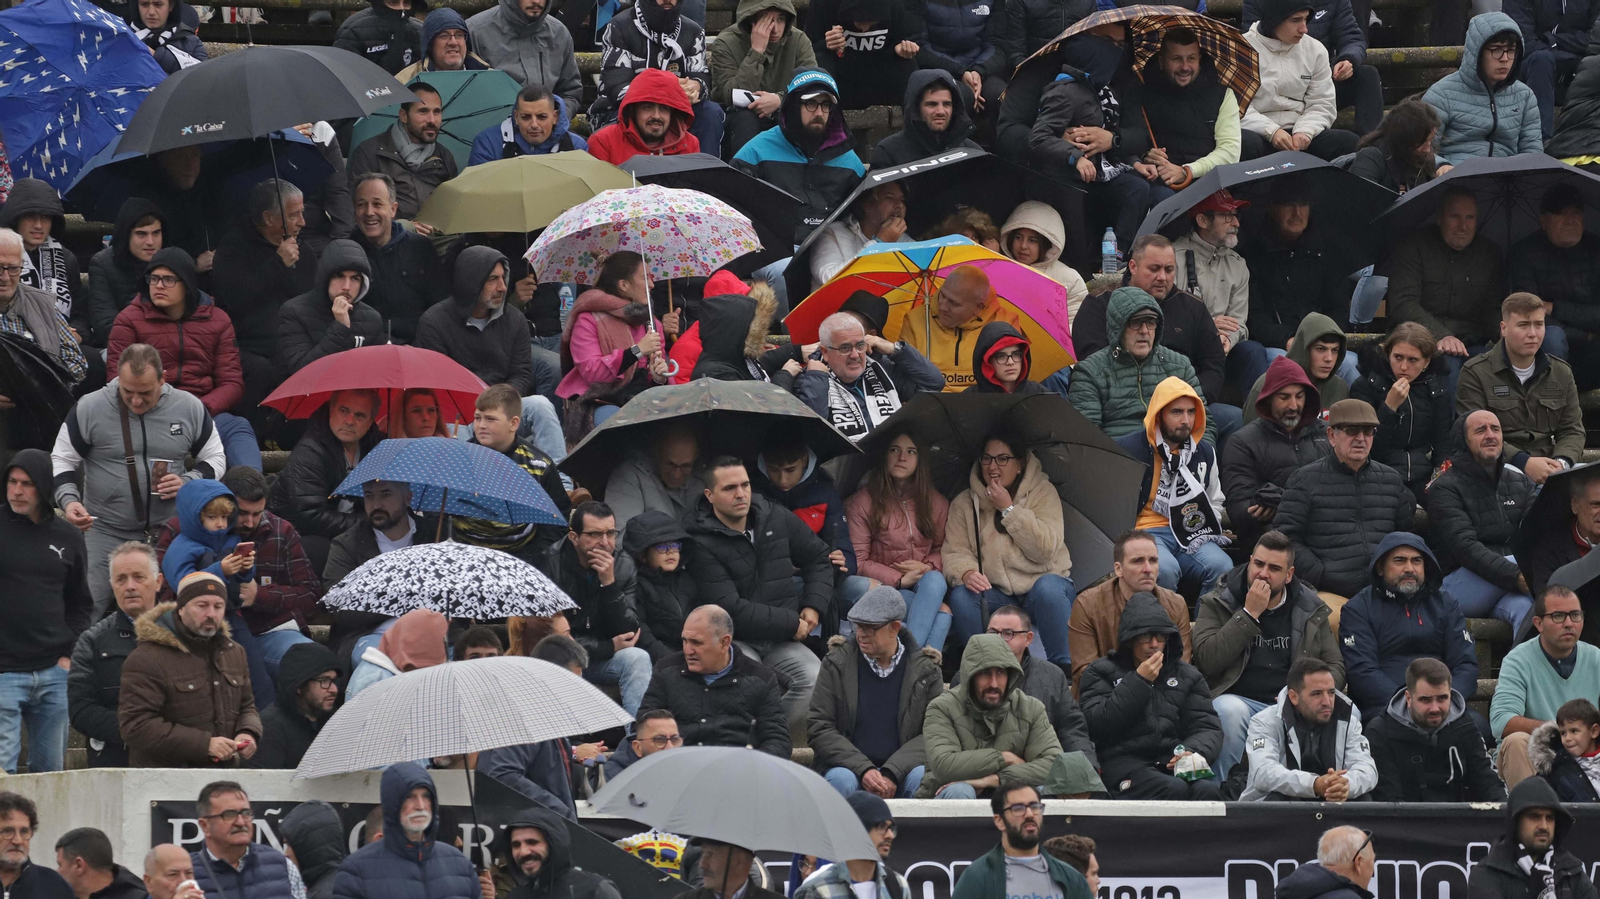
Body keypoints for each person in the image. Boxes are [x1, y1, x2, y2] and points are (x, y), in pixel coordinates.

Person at [53, 345, 226, 615]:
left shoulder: (189, 407)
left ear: (162, 379)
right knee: (84, 609)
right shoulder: (90, 407)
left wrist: (189, 480)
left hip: (169, 531)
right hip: (104, 529)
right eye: (127, 391)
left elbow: (215, 456)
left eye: (145, 393)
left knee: (181, 612)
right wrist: (68, 500)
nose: (135, 401)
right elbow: (62, 458)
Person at [685, 458, 831, 724]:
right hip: (735, 638)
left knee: (815, 680)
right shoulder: (699, 541)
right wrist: (791, 623)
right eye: (729, 488)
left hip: (782, 640)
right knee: (747, 687)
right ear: (709, 495)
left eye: (745, 485)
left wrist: (814, 605)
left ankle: (764, 741)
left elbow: (819, 557)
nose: (741, 494)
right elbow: (729, 609)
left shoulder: (774, 515)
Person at [1194, 531, 1343, 779]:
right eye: (1259, 564)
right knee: (1228, 710)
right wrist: (1249, 614)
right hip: (1240, 700)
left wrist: (1307, 696)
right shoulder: (1219, 600)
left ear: (1289, 575)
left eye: (1274, 568)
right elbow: (1207, 661)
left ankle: (1327, 791)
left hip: (1292, 703)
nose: (1263, 574)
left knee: (1348, 712)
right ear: (1250, 561)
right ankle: (1218, 789)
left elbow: (1334, 665)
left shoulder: (1309, 607)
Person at [106, 248, 257, 471]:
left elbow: (232, 382)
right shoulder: (128, 320)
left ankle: (252, 489)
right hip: (150, 412)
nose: (158, 285)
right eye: (154, 278)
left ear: (187, 284)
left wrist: (199, 409)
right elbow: (117, 380)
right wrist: (158, 407)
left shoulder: (218, 319)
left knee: (237, 427)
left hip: (203, 410)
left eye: (168, 280)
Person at [943, 434, 1076, 666]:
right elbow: (955, 551)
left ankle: (1063, 669)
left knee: (1049, 588)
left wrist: (1009, 509)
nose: (993, 466)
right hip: (997, 594)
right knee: (963, 597)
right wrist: (966, 572)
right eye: (987, 458)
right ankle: (988, 667)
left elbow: (1045, 550)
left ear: (1020, 464)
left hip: (1043, 589)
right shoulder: (965, 503)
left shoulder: (1043, 492)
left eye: (1003, 458)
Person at [1079, 594, 1224, 799]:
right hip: (1122, 762)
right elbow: (1095, 725)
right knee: (1173, 789)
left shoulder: (1187, 675)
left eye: (1161, 636)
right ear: (1130, 639)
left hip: (1172, 759)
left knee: (1208, 791)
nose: (1154, 644)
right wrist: (1139, 681)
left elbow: (1206, 726)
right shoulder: (1100, 671)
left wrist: (1192, 750)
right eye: (1145, 636)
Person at [1072, 236, 1228, 423]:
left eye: (1169, 269)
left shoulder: (1192, 307)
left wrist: (1186, 399)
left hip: (1185, 403)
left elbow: (1213, 365)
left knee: (1232, 418)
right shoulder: (1099, 303)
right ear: (1133, 267)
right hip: (1120, 407)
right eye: (1154, 269)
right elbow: (1093, 364)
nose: (1162, 277)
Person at [0, 449, 89, 774]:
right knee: (2, 776)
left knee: (51, 776)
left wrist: (68, 656)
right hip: (4, 673)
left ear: (44, 487)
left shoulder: (69, 536)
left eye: (27, 484)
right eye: (12, 482)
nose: (17, 491)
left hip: (54, 672)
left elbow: (80, 603)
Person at [1275, 399, 1415, 606]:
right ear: (1331, 436)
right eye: (1352, 431)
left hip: (1385, 592)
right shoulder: (1304, 480)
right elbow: (1286, 538)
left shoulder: (1391, 480)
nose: (1361, 439)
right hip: (1328, 593)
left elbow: (1405, 537)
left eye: (1368, 431)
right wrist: (1321, 574)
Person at [808, 586, 944, 798]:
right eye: (858, 626)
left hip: (903, 771)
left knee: (921, 777)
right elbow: (820, 727)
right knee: (841, 779)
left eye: (869, 628)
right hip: (849, 768)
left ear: (894, 628)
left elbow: (935, 734)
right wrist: (864, 769)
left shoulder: (927, 672)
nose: (861, 634)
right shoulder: (836, 663)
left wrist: (892, 772)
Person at [118, 573, 260, 767]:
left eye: (218, 606)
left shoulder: (235, 652)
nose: (211, 614)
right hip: (164, 779)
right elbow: (136, 726)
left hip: (224, 776)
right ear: (181, 608)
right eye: (202, 605)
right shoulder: (147, 658)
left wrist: (248, 731)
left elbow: (247, 705)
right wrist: (204, 745)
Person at [1114, 377, 1232, 596]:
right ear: (1159, 414)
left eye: (1191, 412)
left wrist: (1203, 524)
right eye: (1177, 412)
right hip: (1145, 532)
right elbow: (1114, 503)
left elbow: (1214, 499)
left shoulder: (1205, 452)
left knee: (1222, 567)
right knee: (1165, 570)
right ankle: (1161, 620)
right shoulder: (1129, 449)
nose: (1186, 420)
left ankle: (1205, 620)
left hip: (1192, 532)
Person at [209, 180, 317, 414]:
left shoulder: (304, 252)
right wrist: (278, 263)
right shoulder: (233, 249)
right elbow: (237, 299)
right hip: (248, 348)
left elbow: (311, 302)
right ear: (269, 218)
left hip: (292, 347)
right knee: (260, 370)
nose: (302, 222)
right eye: (294, 215)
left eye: (302, 213)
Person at [1383, 189, 1506, 392]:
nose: (1463, 226)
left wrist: (1504, 333)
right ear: (1440, 218)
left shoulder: (1490, 253)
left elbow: (1491, 308)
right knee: (1447, 366)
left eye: (1470, 217)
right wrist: (1441, 335)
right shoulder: (1413, 246)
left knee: (1499, 366)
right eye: (1455, 216)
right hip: (1420, 342)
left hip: (1472, 343)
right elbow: (1403, 303)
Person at [1456, 293, 1585, 484]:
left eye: (1539, 324)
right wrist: (1524, 462)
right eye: (1523, 325)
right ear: (1504, 328)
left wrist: (1561, 463)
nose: (1532, 333)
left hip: (1550, 465)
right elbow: (1475, 433)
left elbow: (1572, 430)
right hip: (1499, 464)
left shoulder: (1561, 372)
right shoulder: (1475, 372)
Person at [1426, 410, 1537, 631]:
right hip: (1459, 584)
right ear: (1464, 441)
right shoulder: (1445, 488)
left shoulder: (1520, 481)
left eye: (1495, 429)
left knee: (1527, 611)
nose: (1490, 435)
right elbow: (1464, 548)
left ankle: (1526, 659)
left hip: (1510, 583)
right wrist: (1516, 574)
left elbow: (1537, 533)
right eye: (1480, 430)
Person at [917, 633, 1063, 799]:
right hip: (949, 795)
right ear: (970, 676)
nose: (993, 683)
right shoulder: (942, 708)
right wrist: (1004, 758)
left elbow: (1055, 767)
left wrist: (995, 780)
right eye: (985, 673)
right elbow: (944, 766)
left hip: (1009, 795)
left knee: (1042, 790)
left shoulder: (1030, 708)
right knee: (960, 791)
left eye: (1000, 672)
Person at [732, 69, 865, 246]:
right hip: (772, 247)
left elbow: (864, 218)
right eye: (811, 103)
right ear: (794, 105)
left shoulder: (850, 161)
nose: (819, 113)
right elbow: (732, 210)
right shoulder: (756, 152)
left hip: (831, 247)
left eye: (826, 105)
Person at [541, 501, 651, 715]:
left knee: (638, 658)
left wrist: (609, 584)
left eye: (610, 533)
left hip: (600, 660)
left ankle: (638, 733)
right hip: (560, 660)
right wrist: (607, 647)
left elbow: (628, 631)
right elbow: (551, 639)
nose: (605, 543)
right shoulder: (550, 564)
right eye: (594, 534)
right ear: (574, 537)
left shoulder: (623, 564)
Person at [1239, 183, 1359, 379]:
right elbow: (1253, 315)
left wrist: (1322, 340)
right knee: (1282, 365)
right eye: (1288, 205)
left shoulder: (1328, 253)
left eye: (1303, 204)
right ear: (1272, 208)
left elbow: (1338, 308)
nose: (1297, 212)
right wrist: (1287, 339)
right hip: (1277, 345)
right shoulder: (1254, 255)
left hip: (1322, 342)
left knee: (1350, 364)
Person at [845, 430, 951, 650]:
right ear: (884, 454)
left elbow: (944, 547)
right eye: (895, 450)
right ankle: (917, 662)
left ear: (920, 459)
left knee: (935, 580)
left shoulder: (936, 502)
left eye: (911, 452)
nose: (902, 458)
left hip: (923, 584)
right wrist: (900, 580)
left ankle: (909, 656)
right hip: (884, 586)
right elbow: (858, 561)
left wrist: (926, 566)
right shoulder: (863, 502)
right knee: (942, 612)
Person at [639, 605, 792, 757]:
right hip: (679, 765)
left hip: (736, 767)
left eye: (696, 643)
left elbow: (778, 740)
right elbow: (644, 727)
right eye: (685, 641)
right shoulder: (666, 670)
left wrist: (750, 766)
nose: (687, 650)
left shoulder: (761, 679)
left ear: (724, 642)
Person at [962, 605, 1100, 768]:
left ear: (1028, 639)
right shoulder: (967, 676)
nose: (998, 640)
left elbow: (1071, 730)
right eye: (992, 633)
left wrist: (1086, 768)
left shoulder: (1052, 675)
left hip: (1040, 769)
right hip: (984, 769)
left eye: (1008, 634)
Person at [1068, 286, 1213, 441]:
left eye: (1150, 322)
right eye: (1135, 322)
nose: (1144, 331)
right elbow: (1086, 438)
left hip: (1174, 452)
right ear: (1118, 328)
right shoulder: (1090, 372)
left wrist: (1199, 454)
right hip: (1118, 452)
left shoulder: (1180, 366)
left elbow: (1205, 425)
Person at [1493, 586, 1600, 788]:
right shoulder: (1518, 660)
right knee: (1515, 741)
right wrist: (1561, 732)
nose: (1569, 623)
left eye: (1575, 615)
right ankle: (1531, 807)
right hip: (1538, 755)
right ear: (1538, 623)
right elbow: (1502, 722)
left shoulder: (1596, 658)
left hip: (1587, 756)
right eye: (1558, 616)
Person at [453, 385, 569, 563]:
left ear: (514, 423)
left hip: (520, 559)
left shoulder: (538, 464)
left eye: (490, 419)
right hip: (464, 556)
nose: (481, 425)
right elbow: (437, 512)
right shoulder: (459, 459)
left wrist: (534, 555)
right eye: (477, 418)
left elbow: (558, 518)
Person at [591, 0, 721, 155]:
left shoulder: (694, 30)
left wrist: (696, 86)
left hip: (676, 109)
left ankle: (706, 168)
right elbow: (615, 86)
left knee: (710, 111)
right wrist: (669, 91)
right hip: (624, 109)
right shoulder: (618, 26)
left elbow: (702, 76)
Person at [1221, 357, 1327, 549]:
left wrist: (1285, 501)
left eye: (1299, 396)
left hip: (1326, 535)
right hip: (1273, 543)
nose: (1294, 405)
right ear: (1268, 399)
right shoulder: (1242, 442)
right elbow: (1238, 510)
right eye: (1284, 397)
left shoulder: (1328, 434)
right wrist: (1262, 503)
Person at [333, 763, 481, 899]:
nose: (420, 806)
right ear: (392, 803)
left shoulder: (460, 864)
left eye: (426, 796)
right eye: (409, 797)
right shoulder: (356, 870)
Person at [69, 541, 158, 768]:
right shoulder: (92, 641)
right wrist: (141, 732)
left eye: (138, 577)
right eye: (121, 579)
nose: (130, 586)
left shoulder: (185, 635)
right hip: (114, 762)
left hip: (179, 762)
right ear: (111, 585)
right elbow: (81, 710)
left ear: (158, 582)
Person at [1366, 657, 1505, 801]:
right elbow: (1388, 800)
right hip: (1402, 813)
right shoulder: (1380, 732)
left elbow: (1488, 781)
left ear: (1450, 694)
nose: (1435, 708)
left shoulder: (1464, 725)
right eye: (1425, 700)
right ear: (1408, 698)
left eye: (1442, 698)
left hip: (1457, 813)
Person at [1068, 530, 1192, 691]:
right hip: (1105, 698)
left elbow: (1182, 671)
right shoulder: (1088, 604)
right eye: (1138, 561)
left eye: (1153, 560)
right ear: (1118, 569)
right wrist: (1136, 683)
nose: (1148, 569)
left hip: (1163, 697)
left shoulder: (1176, 604)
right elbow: (1084, 675)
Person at [1239, 657, 1377, 802]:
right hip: (1280, 805)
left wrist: (1344, 785)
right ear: (1294, 697)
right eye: (1317, 694)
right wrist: (1314, 784)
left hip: (1330, 801)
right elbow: (1263, 773)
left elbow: (1367, 769)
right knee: (1279, 797)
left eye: (1331, 692)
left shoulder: (1348, 722)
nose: (1327, 702)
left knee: (1363, 799)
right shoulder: (1264, 722)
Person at [792, 312, 942, 442]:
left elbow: (933, 384)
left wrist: (894, 349)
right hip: (843, 465)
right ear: (825, 352)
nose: (855, 355)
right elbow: (813, 433)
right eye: (845, 348)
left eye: (860, 345)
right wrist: (817, 378)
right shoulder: (810, 380)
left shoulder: (880, 367)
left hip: (888, 461)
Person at [1124, 27, 1242, 190]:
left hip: (1209, 182)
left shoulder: (1223, 95)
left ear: (1199, 59)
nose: (1185, 67)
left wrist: (1187, 171)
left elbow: (1230, 153)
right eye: (1177, 59)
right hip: (1158, 182)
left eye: (1191, 58)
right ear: (1161, 62)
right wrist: (1145, 155)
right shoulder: (1140, 95)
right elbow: (1132, 140)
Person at [1239, 0, 1359, 161]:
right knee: (1243, 142)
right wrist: (1272, 131)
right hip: (1257, 133)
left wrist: (1305, 132)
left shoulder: (1315, 50)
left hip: (1298, 133)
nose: (1304, 29)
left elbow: (1322, 102)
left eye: (1306, 19)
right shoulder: (1240, 49)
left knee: (1349, 142)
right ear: (1274, 20)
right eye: (1295, 20)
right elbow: (1237, 107)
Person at [1349, 323, 1451, 504]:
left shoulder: (1436, 389)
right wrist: (1389, 407)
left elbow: (1443, 444)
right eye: (1398, 357)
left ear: (1426, 362)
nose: (1403, 367)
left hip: (1423, 475)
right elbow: (1367, 448)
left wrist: (1438, 479)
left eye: (1413, 360)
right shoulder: (1366, 386)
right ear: (1388, 354)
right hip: (1378, 475)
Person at [416, 248, 536, 400]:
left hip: (505, 404)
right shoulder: (434, 323)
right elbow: (437, 380)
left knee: (540, 404)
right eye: (492, 279)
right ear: (471, 282)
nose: (502, 287)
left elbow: (521, 373)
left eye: (503, 277)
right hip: (458, 406)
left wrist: (500, 403)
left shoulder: (515, 319)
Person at [1424, 13, 1544, 164]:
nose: (1505, 58)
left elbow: (1533, 153)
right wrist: (1440, 165)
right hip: (1457, 173)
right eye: (1496, 50)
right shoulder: (1441, 94)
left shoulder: (1525, 96)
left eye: (1511, 50)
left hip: (1507, 174)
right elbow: (1421, 149)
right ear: (1477, 52)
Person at [267, 391, 382, 543]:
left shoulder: (376, 449)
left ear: (370, 421)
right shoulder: (309, 453)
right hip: (293, 539)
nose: (349, 421)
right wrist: (373, 522)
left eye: (360, 415)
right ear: (331, 410)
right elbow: (312, 517)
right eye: (343, 411)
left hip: (349, 534)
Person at [557, 251, 667, 407]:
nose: (652, 285)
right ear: (623, 285)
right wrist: (637, 350)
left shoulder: (652, 322)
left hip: (641, 402)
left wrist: (658, 378)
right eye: (645, 278)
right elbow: (593, 373)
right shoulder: (588, 320)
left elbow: (654, 384)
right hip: (599, 402)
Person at [1170, 191, 1255, 394]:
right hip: (1182, 346)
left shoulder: (1238, 264)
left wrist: (1228, 339)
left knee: (1253, 352)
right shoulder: (1172, 258)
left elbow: (1238, 322)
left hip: (1221, 348)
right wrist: (1208, 328)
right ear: (1202, 220)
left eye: (1236, 215)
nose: (1236, 223)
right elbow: (1168, 317)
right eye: (1227, 215)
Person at [1509, 189, 1600, 376]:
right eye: (1561, 213)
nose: (1570, 220)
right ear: (1543, 221)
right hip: (1552, 346)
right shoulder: (1524, 253)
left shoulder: (1596, 249)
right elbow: (1529, 314)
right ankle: (1552, 393)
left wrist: (1554, 307)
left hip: (1594, 346)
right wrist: (1583, 335)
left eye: (1576, 213)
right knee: (1551, 337)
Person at [348, 175, 445, 345]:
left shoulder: (421, 248)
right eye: (362, 205)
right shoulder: (347, 253)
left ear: (393, 209)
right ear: (354, 211)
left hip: (419, 346)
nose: (369, 212)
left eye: (377, 204)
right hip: (368, 347)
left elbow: (439, 305)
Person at [711, 0, 817, 154]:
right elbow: (730, 94)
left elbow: (812, 84)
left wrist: (780, 100)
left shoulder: (798, 40)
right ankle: (744, 168)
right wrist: (756, 52)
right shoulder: (726, 42)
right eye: (766, 19)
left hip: (785, 113)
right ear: (751, 18)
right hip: (739, 119)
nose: (775, 28)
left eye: (780, 19)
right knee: (746, 119)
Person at [951, 784, 1090, 899]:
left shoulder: (1071, 878)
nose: (1029, 814)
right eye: (1018, 808)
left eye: (1034, 807)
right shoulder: (977, 878)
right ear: (999, 821)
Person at [1466, 778, 1598, 899]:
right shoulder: (1487, 874)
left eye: (1549, 818)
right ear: (1516, 822)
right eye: (1535, 817)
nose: (1544, 826)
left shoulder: (1571, 872)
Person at [0, 226, 88, 402]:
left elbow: (76, 360)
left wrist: (41, 387)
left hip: (40, 407)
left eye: (13, 268)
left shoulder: (43, 303)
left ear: (22, 266)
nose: (5, 277)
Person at [347, 84, 459, 222]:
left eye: (436, 112)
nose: (431, 120)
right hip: (388, 232)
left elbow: (454, 208)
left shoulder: (444, 157)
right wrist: (403, 227)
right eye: (423, 111)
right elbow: (358, 208)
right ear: (404, 115)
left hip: (435, 231)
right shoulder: (370, 152)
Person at [277, 240, 386, 381]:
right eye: (339, 276)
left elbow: (376, 373)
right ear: (325, 277)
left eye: (355, 278)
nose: (346, 286)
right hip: (311, 391)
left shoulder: (372, 318)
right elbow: (302, 371)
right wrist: (340, 327)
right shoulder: (294, 312)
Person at [189, 782, 304, 899]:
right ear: (205, 826)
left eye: (246, 813)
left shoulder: (283, 866)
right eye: (229, 815)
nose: (241, 822)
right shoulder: (186, 875)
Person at [804, 0, 919, 109]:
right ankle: (825, 115)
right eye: (860, 22)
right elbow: (806, 50)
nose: (865, 29)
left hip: (878, 72)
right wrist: (825, 44)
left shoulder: (894, 5)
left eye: (872, 23)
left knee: (908, 64)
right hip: (841, 75)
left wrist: (899, 49)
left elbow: (900, 39)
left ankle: (910, 120)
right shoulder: (824, 3)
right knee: (820, 62)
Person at [791, 792, 909, 899]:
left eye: (891, 828)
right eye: (881, 826)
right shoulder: (816, 890)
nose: (890, 835)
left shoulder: (898, 885)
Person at [0, 180, 81, 332]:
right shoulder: (2, 253)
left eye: (45, 217)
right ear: (15, 218)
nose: (38, 225)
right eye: (30, 216)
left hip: (61, 337)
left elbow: (80, 315)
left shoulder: (66, 258)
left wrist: (76, 334)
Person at [467, 0, 582, 105]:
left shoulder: (559, 33)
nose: (536, 1)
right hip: (493, 119)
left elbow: (570, 91)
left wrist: (557, 115)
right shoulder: (475, 31)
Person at [1242, 313, 1351, 422]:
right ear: (1303, 349)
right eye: (1321, 349)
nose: (1329, 358)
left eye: (1335, 350)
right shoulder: (1267, 385)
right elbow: (1250, 432)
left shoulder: (1339, 388)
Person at [86, 200, 165, 350]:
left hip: (170, 345)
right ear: (126, 234)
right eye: (141, 234)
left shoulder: (171, 262)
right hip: (124, 349)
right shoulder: (103, 263)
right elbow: (104, 323)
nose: (150, 241)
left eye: (156, 233)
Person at [247, 643, 339, 769]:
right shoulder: (269, 727)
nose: (334, 689)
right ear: (299, 685)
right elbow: (262, 779)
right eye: (324, 681)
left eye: (334, 681)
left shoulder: (336, 721)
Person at [494, 808, 620, 899]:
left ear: (554, 844)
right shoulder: (516, 896)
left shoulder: (595, 890)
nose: (523, 852)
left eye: (532, 842)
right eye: (516, 845)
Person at [620, 511, 697, 661]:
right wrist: (669, 659)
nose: (670, 551)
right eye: (662, 547)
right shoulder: (635, 585)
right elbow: (640, 630)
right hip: (658, 658)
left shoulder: (686, 579)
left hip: (691, 650)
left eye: (675, 545)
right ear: (642, 555)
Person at [809, 183, 916, 290]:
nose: (899, 205)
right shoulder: (832, 232)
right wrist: (879, 244)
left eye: (902, 200)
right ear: (867, 205)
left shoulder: (904, 241)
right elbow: (829, 279)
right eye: (889, 198)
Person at [585, 69, 703, 165]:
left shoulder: (689, 144)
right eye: (647, 108)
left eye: (663, 109)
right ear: (633, 110)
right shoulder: (604, 141)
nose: (656, 116)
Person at [869, 70, 982, 168]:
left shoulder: (973, 152)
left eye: (947, 104)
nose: (941, 111)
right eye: (932, 104)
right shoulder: (887, 153)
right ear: (916, 108)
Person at [998, 202, 1089, 320]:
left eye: (1032, 240)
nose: (1023, 246)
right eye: (1018, 237)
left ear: (1046, 244)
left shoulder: (1070, 279)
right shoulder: (998, 270)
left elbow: (1077, 324)